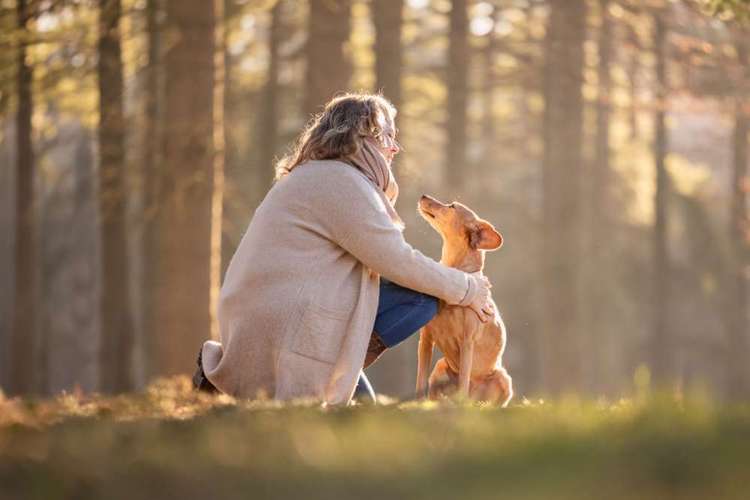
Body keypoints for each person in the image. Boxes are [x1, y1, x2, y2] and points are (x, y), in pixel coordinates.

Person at [193, 92, 494, 405]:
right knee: (421, 298)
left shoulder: (319, 175)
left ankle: (332, 375)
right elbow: (398, 261)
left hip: (270, 323)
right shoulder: (341, 183)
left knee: (363, 410)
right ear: (364, 136)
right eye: (388, 135)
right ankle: (314, 378)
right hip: (285, 331)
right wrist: (467, 288)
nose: (395, 147)